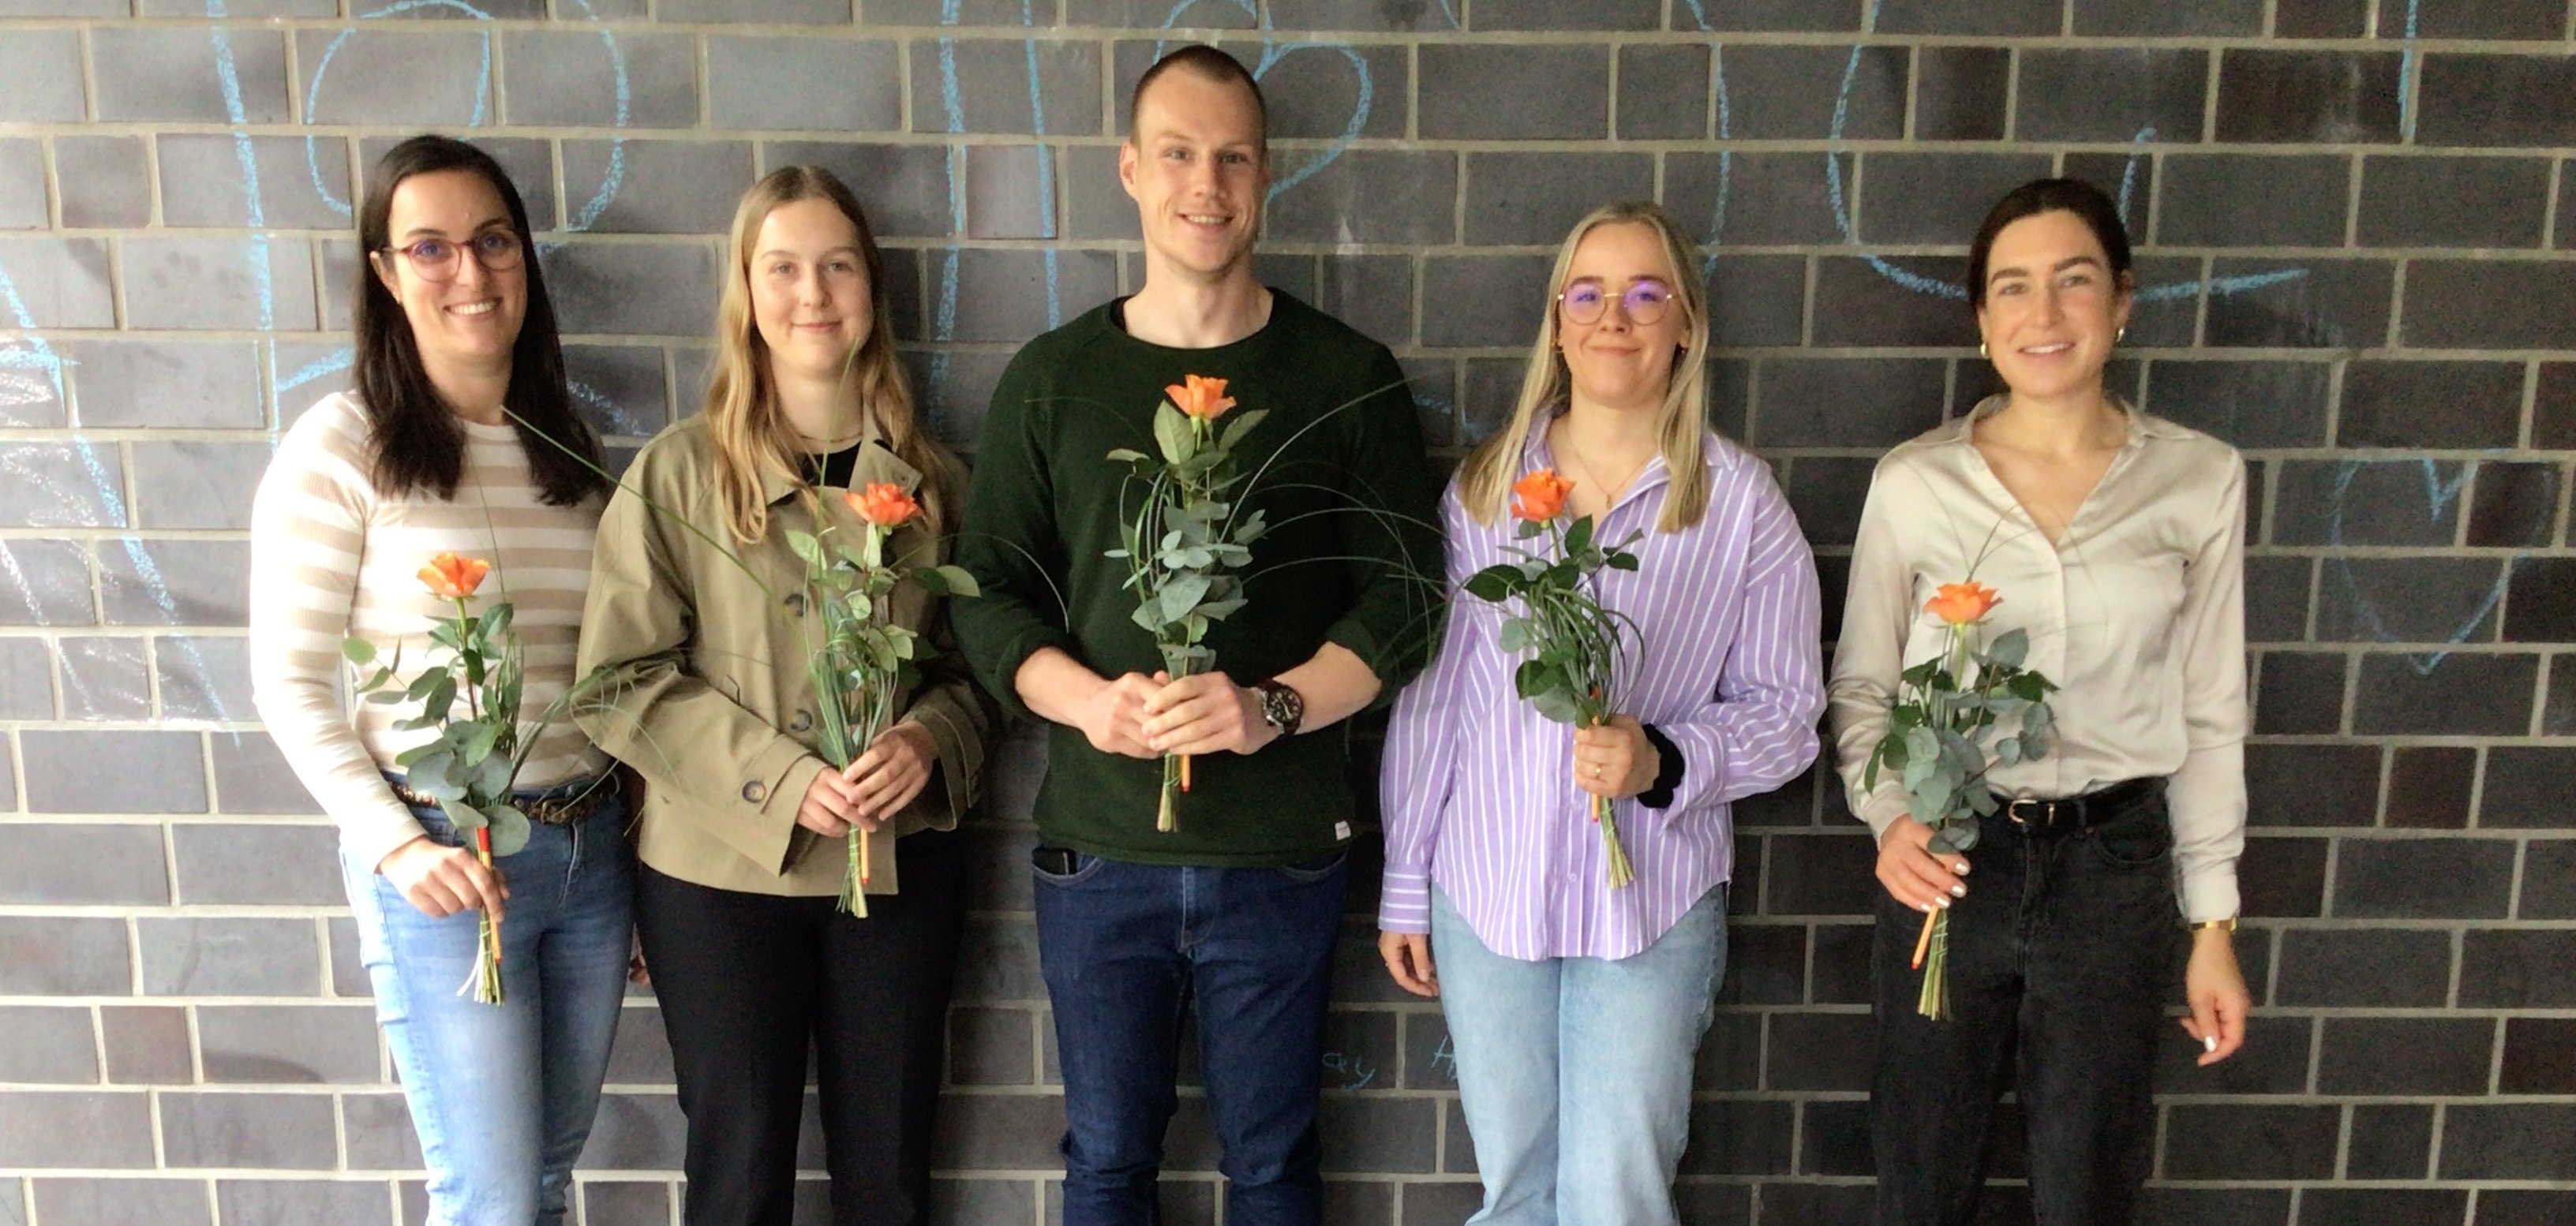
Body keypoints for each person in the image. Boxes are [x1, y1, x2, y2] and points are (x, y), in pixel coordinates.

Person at [948, 44, 1441, 1226]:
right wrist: (1090, 702)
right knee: (1106, 1165)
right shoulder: (1055, 379)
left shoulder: (1346, 376)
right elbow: (987, 592)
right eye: (1178, 154)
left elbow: (1408, 598)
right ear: (1130, 169)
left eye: (1232, 158)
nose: (1205, 185)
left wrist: (1272, 706)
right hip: (1099, 852)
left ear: (1267, 175)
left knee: (1272, 1168)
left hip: (1280, 853)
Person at [1373, 201, 1825, 1225]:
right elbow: (1437, 701)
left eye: (1644, 293)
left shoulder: (1738, 502)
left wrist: (1664, 758)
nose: (1613, 317)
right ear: (1557, 321)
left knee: (1616, 1200)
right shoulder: (1486, 492)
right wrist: (1407, 880)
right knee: (1516, 1193)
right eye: (1587, 294)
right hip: (1489, 887)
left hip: (1650, 902)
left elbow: (1789, 713)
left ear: (1687, 324)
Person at [1829, 177, 2253, 1225]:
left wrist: (2211, 920)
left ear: (2122, 301)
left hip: (2114, 871)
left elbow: (2210, 712)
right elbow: (1864, 687)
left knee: (2087, 1190)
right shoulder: (1917, 481)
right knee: (1922, 1181)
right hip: (1951, 860)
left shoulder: (2199, 479)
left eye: (2074, 280)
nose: (2045, 312)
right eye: (2013, 287)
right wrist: (1891, 818)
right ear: (1983, 319)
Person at [574, 166, 993, 1226]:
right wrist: (779, 777)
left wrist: (928, 740)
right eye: (784, 268)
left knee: (889, 1176)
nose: (814, 293)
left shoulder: (938, 485)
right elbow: (619, 681)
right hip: (717, 878)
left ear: (872, 290)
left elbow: (984, 670)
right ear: (746, 292)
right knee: (739, 1173)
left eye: (838, 266)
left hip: (897, 868)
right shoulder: (676, 477)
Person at [249, 134, 630, 1226]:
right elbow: (288, 682)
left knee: (542, 1183)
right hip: (446, 866)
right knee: (492, 1198)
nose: (470, 271)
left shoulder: (570, 450)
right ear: (384, 271)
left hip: (592, 852)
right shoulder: (342, 447)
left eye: (494, 241)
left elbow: (611, 668)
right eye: (431, 247)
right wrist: (398, 845)